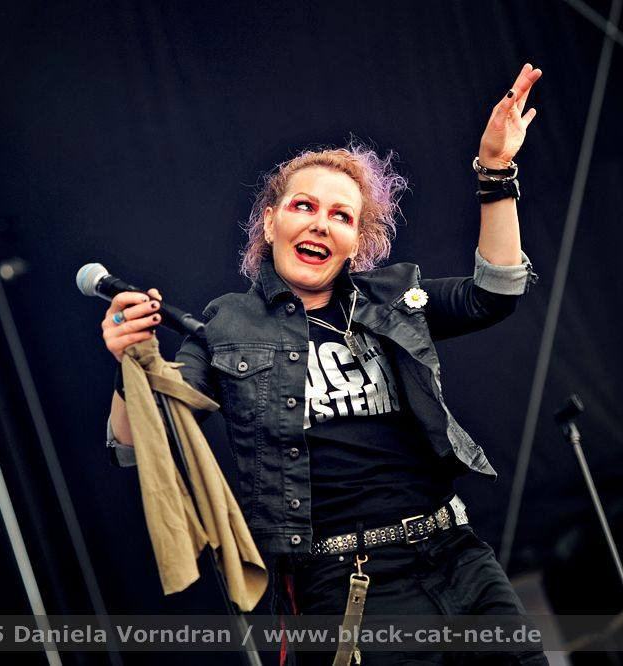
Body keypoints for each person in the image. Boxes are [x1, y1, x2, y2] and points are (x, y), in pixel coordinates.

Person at [101, 64, 547, 665]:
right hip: (349, 583)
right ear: (270, 222)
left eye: (341, 215)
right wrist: (129, 364)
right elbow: (140, 447)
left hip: (457, 555)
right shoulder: (225, 326)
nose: (320, 222)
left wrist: (495, 171)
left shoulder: (396, 297)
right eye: (304, 206)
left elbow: (495, 293)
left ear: (357, 241)